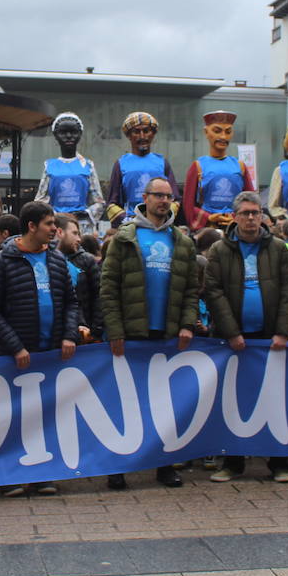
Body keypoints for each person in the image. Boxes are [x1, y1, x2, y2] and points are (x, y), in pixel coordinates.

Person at [99, 177, 197, 490]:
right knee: (126, 402)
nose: (163, 201)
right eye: (158, 195)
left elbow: (192, 289)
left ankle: (164, 465)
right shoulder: (125, 237)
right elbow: (109, 287)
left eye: (168, 197)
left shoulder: (182, 241)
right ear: (145, 197)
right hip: (131, 334)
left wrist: (187, 324)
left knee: (165, 404)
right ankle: (118, 466)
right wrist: (114, 329)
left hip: (167, 333)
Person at [0, 201, 79, 496]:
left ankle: (42, 474)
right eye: (49, 224)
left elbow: (72, 302)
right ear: (32, 227)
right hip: (15, 357)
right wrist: (15, 346)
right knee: (11, 417)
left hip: (50, 353)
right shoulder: (2, 262)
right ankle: (9, 477)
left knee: (44, 415)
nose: (54, 229)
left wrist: (69, 335)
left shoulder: (58, 260)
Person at [202, 191, 288, 482]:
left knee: (274, 398)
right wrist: (232, 332)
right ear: (234, 217)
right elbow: (214, 292)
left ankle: (279, 463)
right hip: (234, 340)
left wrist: (282, 332)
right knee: (233, 401)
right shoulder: (219, 250)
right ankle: (232, 462)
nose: (251, 218)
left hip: (270, 338)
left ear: (263, 216)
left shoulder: (280, 248)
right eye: (245, 213)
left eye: (255, 213)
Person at [105, 112, 178, 228]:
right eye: (136, 132)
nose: (142, 136)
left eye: (146, 131)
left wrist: (163, 217)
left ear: (153, 134)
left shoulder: (163, 163)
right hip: (131, 223)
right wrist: (127, 220)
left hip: (160, 224)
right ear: (129, 136)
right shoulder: (121, 164)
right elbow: (111, 204)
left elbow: (176, 200)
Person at [33, 113, 105, 232]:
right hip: (55, 227)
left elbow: (99, 202)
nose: (68, 136)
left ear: (80, 134)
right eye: (63, 132)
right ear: (56, 135)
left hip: (82, 226)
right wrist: (54, 215)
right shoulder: (49, 166)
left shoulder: (88, 165)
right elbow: (40, 201)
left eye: (73, 132)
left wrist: (85, 214)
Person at [184, 111, 254, 231]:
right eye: (217, 131)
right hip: (207, 228)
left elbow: (251, 200)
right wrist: (208, 217)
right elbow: (188, 204)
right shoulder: (198, 166)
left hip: (236, 226)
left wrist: (235, 217)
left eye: (228, 132)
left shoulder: (240, 166)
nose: (223, 137)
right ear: (206, 132)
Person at [57, 214, 102, 341]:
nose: (78, 239)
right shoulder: (48, 260)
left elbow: (98, 296)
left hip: (85, 332)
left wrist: (95, 330)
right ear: (60, 232)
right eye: (74, 233)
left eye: (79, 234)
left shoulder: (87, 260)